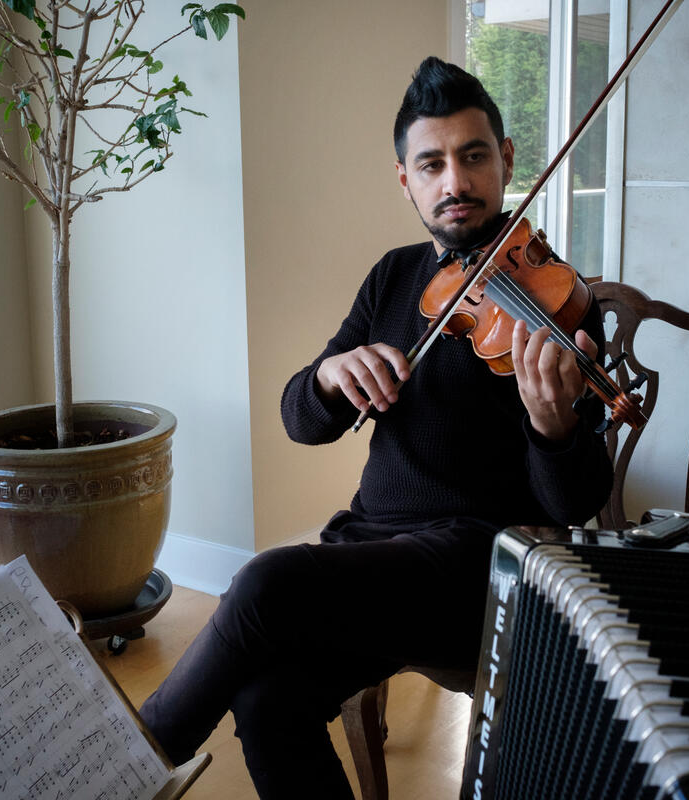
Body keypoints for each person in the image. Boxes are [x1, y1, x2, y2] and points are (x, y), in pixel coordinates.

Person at [139, 57, 614, 797]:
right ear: (406, 179)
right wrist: (330, 376)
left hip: (480, 563)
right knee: (268, 699)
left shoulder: (552, 300)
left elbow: (577, 501)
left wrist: (553, 427)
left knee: (266, 580)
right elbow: (301, 420)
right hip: (375, 549)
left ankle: (127, 763)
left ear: (506, 159)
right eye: (432, 164)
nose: (455, 182)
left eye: (474, 157)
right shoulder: (393, 276)